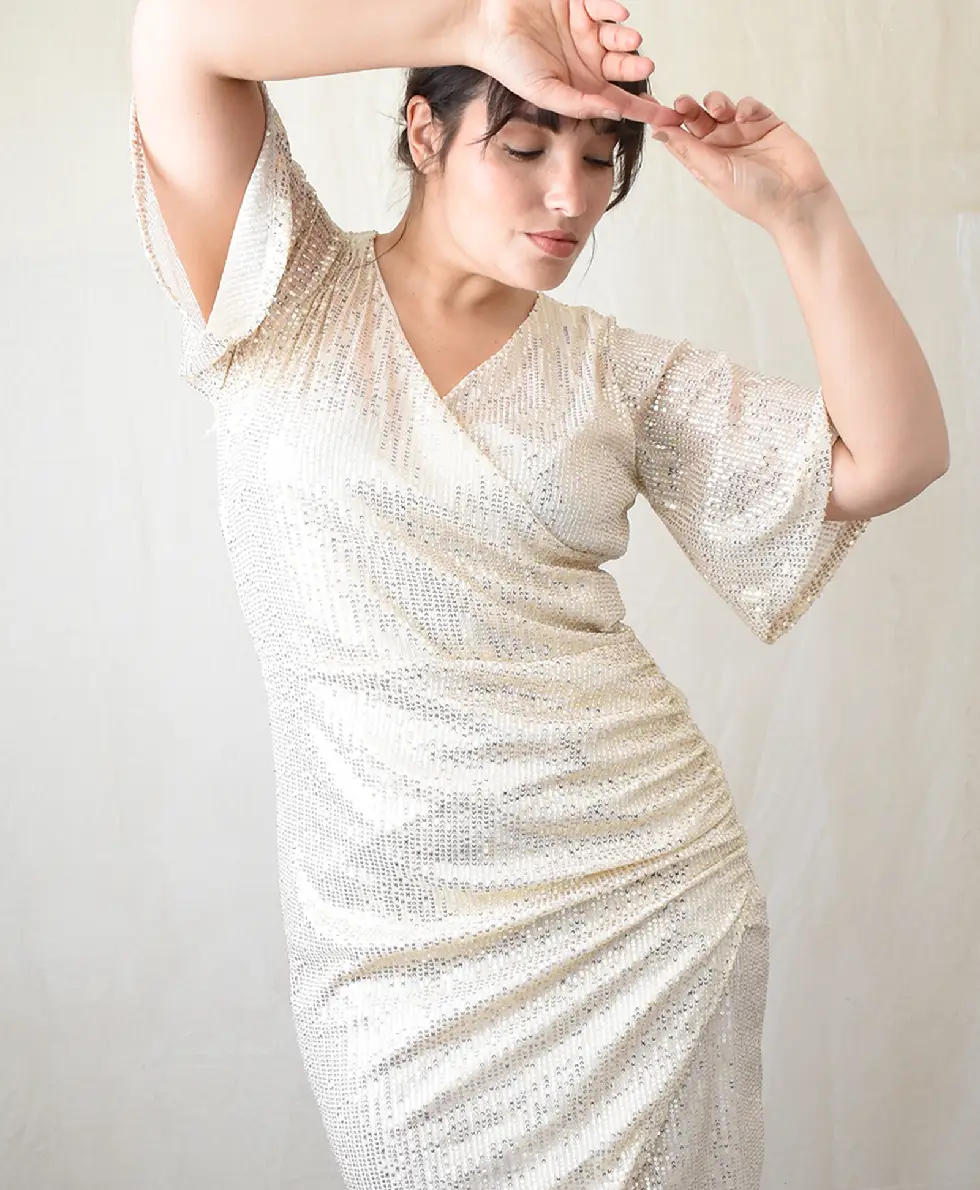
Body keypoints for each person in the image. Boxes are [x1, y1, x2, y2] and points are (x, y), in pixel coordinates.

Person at [128, 0, 949, 1185]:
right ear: (423, 133)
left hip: (641, 908)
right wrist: (478, 22)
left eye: (600, 160)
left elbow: (892, 456)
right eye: (522, 147)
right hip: (385, 945)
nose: (568, 196)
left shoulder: (611, 371)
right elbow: (178, 32)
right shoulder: (285, 290)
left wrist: (803, 212)